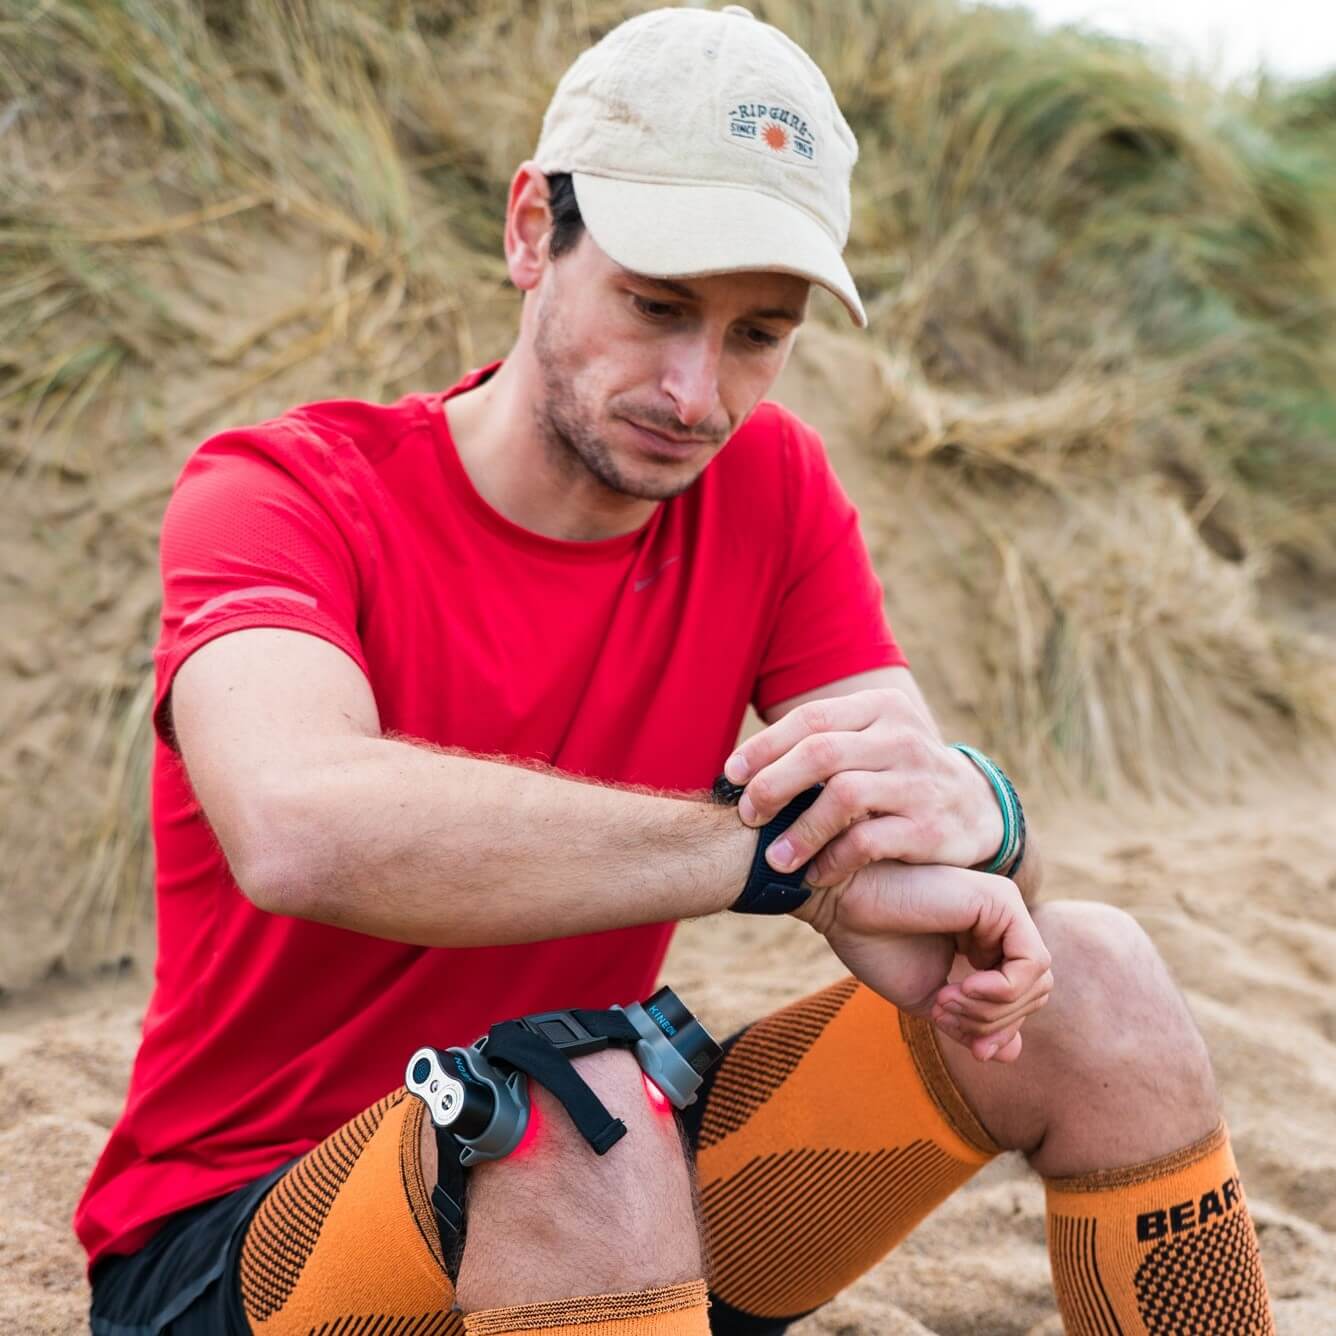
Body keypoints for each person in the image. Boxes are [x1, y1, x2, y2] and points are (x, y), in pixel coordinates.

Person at [78, 7, 1274, 1335]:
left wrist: (984, 823)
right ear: (530, 231)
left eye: (759, 333)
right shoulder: (284, 490)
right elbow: (300, 828)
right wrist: (768, 860)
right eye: (657, 307)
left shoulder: (769, 487)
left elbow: (918, 867)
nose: (696, 394)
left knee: (1095, 978)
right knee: (573, 1112)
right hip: (246, 1243)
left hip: (621, 1211)